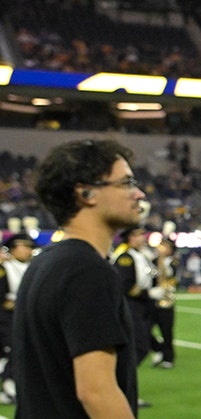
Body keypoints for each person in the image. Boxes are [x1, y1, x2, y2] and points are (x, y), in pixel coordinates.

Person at [12, 138, 144, 417]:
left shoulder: (45, 262)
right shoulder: (87, 270)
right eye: (126, 183)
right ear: (86, 193)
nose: (139, 194)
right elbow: (96, 391)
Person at [110, 226, 159, 372]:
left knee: (142, 342)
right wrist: (149, 293)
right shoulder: (125, 257)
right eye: (139, 235)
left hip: (144, 305)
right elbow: (126, 286)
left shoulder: (142, 256)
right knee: (140, 346)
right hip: (132, 305)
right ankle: (121, 376)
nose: (143, 238)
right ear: (131, 238)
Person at [0, 232, 35, 404]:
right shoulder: (4, 268)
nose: (28, 250)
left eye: (29, 247)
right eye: (24, 246)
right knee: (12, 350)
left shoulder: (33, 267)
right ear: (13, 249)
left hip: (27, 316)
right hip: (7, 318)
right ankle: (9, 385)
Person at [148, 238, 178, 369]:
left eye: (166, 247)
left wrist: (161, 261)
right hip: (153, 299)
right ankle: (158, 348)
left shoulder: (173, 262)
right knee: (144, 329)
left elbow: (170, 275)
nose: (162, 249)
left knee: (166, 331)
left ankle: (168, 357)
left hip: (167, 299)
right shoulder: (152, 261)